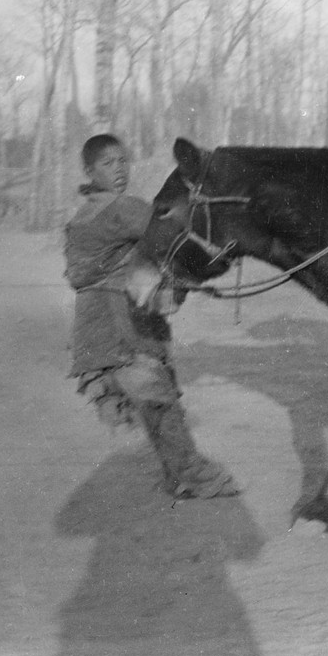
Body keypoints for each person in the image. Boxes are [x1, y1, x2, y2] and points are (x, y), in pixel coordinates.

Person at [64, 133, 240, 499]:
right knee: (158, 399)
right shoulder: (119, 209)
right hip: (121, 325)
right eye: (108, 163)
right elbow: (171, 228)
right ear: (89, 170)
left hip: (99, 326)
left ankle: (178, 475)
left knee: (156, 402)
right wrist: (222, 251)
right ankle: (193, 474)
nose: (119, 169)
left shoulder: (84, 213)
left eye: (123, 161)